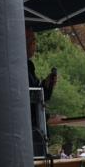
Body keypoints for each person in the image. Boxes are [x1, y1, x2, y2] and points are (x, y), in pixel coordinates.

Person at [26, 28, 58, 158]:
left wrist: (48, 85)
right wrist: (49, 117)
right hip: (30, 132)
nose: (35, 44)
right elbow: (29, 100)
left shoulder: (29, 66)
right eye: (33, 41)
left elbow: (41, 95)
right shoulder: (19, 66)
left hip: (37, 131)